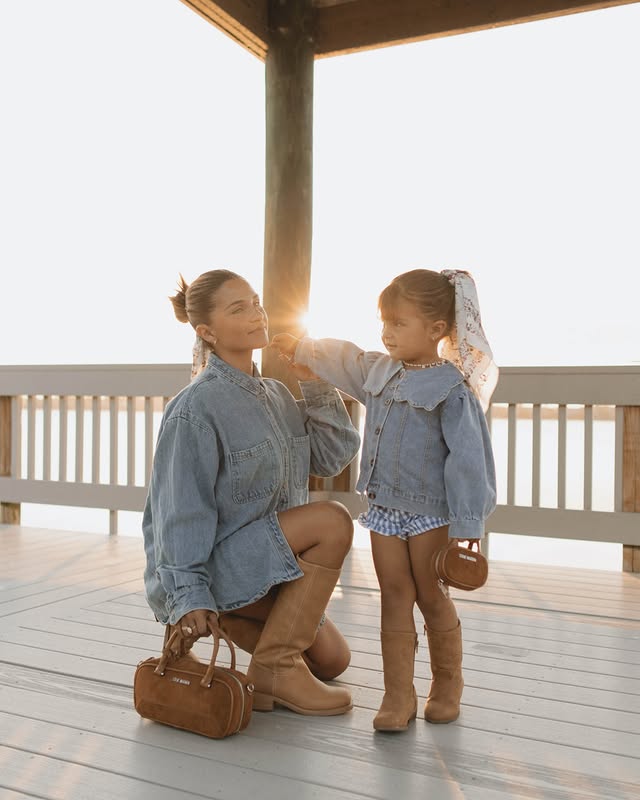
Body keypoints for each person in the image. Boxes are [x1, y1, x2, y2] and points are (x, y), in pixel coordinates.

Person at [271, 268, 497, 731]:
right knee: (393, 594)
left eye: (399, 323)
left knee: (431, 595)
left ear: (437, 330)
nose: (387, 333)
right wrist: (301, 347)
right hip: (385, 509)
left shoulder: (452, 389)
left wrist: (469, 525)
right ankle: (398, 696)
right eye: (384, 322)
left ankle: (447, 685)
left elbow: (469, 461)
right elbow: (345, 359)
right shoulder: (378, 369)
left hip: (431, 511)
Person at [142, 269, 361, 716]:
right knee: (332, 520)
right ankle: (275, 667)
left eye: (256, 303)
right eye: (237, 308)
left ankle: (261, 653)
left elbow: (333, 455)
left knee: (334, 661)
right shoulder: (194, 409)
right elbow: (179, 515)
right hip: (221, 568)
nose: (256, 314)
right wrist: (189, 596)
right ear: (206, 331)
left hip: (270, 566)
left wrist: (315, 381)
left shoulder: (277, 394)